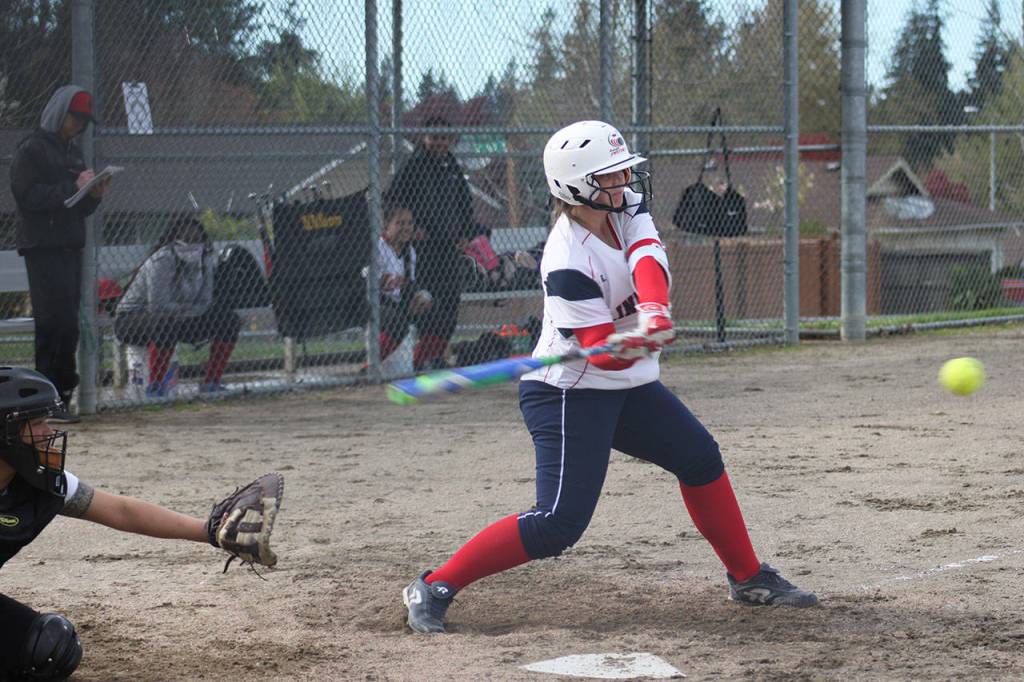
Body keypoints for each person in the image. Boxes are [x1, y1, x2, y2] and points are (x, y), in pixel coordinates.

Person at [401, 121, 817, 634]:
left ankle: (748, 576)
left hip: (629, 386)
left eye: (622, 172)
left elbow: (646, 255)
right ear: (575, 186)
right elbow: (602, 357)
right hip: (570, 392)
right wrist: (633, 341)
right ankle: (435, 584)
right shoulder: (566, 262)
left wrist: (655, 310)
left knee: (699, 458)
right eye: (610, 175)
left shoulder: (625, 208)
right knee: (558, 523)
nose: (624, 182)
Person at [0, 366, 282, 680]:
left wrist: (210, 531)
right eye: (35, 423)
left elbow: (121, 511)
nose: (47, 432)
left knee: (52, 647)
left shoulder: (37, 483)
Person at [9, 86, 112, 423]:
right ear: (59, 113)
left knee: (67, 325)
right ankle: (45, 399)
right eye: (75, 118)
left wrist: (93, 194)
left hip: (69, 245)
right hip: (43, 247)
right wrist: (72, 187)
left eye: (83, 121)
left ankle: (59, 396)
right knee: (53, 323)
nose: (78, 126)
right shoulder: (32, 149)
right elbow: (27, 197)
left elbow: (78, 209)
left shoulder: (73, 153)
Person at [114, 215, 241, 396]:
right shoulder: (163, 259)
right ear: (174, 239)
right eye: (187, 239)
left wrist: (186, 312)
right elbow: (157, 305)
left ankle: (211, 382)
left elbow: (205, 301)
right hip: (133, 319)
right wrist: (187, 311)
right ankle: (155, 386)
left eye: (197, 239)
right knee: (165, 322)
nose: (193, 244)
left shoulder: (205, 257)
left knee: (229, 319)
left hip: (180, 317)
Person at [387, 115, 475, 371]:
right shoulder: (414, 166)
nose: (439, 143)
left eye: (444, 138)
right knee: (427, 306)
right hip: (422, 250)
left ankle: (428, 357)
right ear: (425, 138)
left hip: (448, 248)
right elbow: (393, 200)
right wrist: (410, 229)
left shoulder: (451, 166)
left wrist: (464, 232)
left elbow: (465, 203)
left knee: (449, 307)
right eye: (434, 137)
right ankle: (416, 360)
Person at [370, 203, 433, 362]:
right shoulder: (377, 247)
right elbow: (370, 287)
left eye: (410, 223)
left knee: (437, 313)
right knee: (397, 322)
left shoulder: (409, 251)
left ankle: (420, 361)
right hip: (375, 303)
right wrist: (382, 283)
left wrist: (417, 298)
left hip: (397, 303)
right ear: (387, 225)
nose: (407, 228)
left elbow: (408, 285)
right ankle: (371, 366)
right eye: (400, 223)